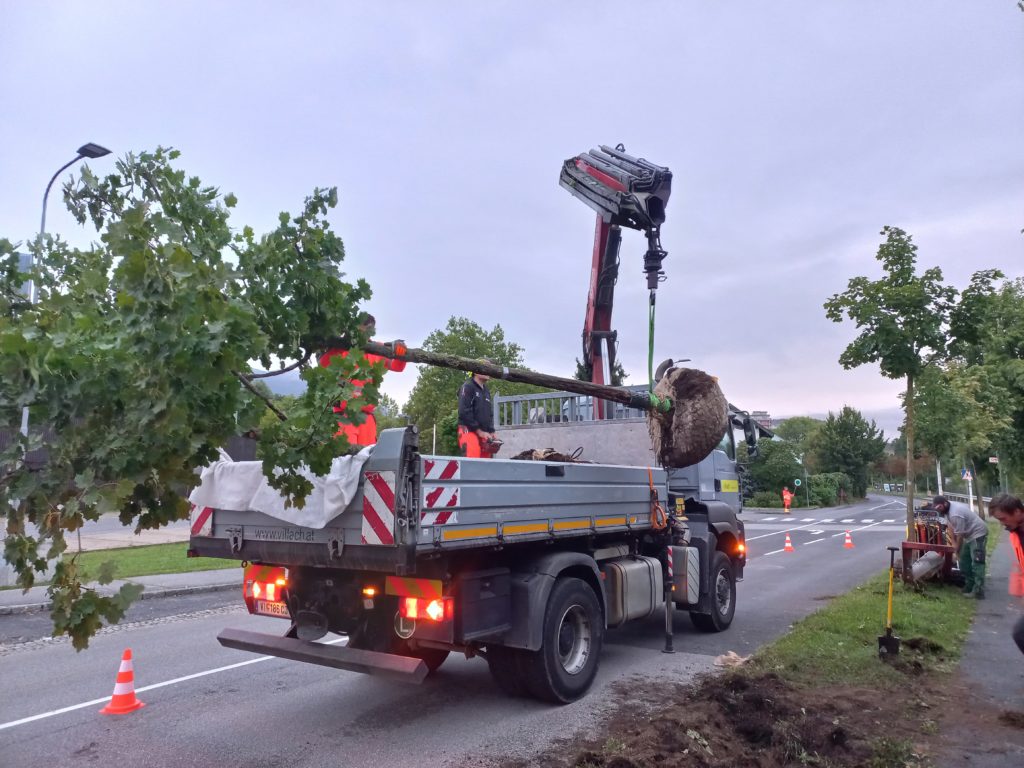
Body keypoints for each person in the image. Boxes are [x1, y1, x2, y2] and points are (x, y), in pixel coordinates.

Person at [318, 313, 405, 447]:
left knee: (368, 462)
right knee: (345, 459)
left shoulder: (377, 349)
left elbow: (396, 367)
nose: (365, 333)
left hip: (367, 417)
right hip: (344, 416)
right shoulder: (342, 348)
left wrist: (401, 355)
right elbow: (323, 365)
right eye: (363, 328)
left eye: (369, 330)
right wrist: (335, 346)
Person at [933, 495, 989, 599]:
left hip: (978, 534)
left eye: (939, 507)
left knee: (977, 562)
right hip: (969, 535)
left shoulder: (956, 513)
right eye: (936, 508)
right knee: (964, 561)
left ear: (945, 503)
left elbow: (960, 535)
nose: (938, 510)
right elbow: (950, 526)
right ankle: (969, 585)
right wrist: (953, 543)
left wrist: (956, 551)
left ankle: (978, 591)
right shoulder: (946, 511)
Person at [988, 493, 1024, 654]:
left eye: (1003, 519)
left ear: (1017, 511)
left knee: (1020, 634)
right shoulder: (1016, 532)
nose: (1002, 524)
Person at [457, 364, 498, 458]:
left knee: (486, 463)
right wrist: (479, 431)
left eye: (490, 370)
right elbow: (464, 411)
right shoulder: (467, 387)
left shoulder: (486, 391)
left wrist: (492, 431)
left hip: (484, 433)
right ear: (475, 371)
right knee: (473, 460)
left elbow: (489, 413)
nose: (489, 372)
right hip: (468, 430)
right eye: (486, 368)